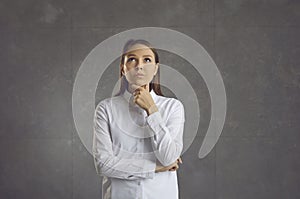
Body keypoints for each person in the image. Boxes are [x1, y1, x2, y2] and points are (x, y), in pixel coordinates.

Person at [92, 39, 185, 199]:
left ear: (155, 68)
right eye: (132, 59)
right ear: (123, 68)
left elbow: (169, 157)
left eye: (147, 60)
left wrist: (152, 110)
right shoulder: (106, 109)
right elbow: (103, 164)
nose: (139, 66)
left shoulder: (173, 107)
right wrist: (155, 168)